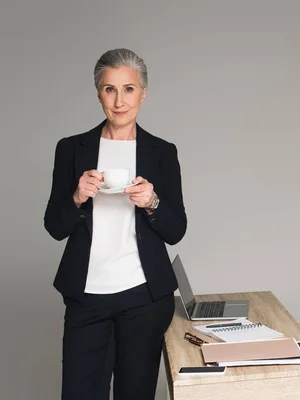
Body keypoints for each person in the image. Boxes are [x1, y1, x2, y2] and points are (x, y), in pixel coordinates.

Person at [44, 48, 187, 400]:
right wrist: (77, 197)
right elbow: (54, 226)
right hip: (87, 296)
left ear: (143, 92)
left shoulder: (162, 152)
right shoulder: (71, 149)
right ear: (98, 93)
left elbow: (176, 229)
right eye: (110, 89)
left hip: (144, 298)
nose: (119, 100)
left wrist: (152, 202)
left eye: (128, 89)